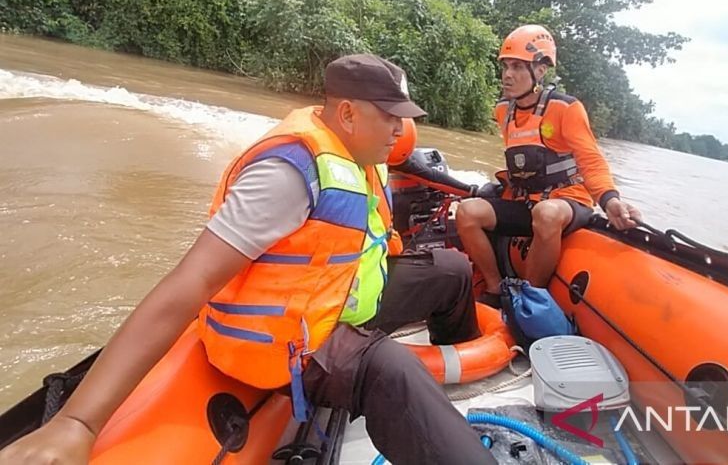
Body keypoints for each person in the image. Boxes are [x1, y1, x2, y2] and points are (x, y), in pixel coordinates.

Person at [0, 54, 495, 465]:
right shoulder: (286, 175)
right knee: (390, 369)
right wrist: (77, 421)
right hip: (292, 344)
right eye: (391, 116)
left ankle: (458, 360)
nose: (400, 129)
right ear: (347, 114)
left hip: (337, 296)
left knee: (451, 269)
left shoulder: (362, 159)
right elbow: (188, 283)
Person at [456, 25, 642, 300]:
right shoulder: (502, 111)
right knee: (467, 212)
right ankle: (496, 289)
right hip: (526, 203)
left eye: (518, 67)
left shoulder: (565, 109)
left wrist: (609, 199)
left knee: (546, 213)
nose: (507, 75)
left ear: (540, 70)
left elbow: (590, 159)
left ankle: (529, 300)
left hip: (567, 201)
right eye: (505, 66)